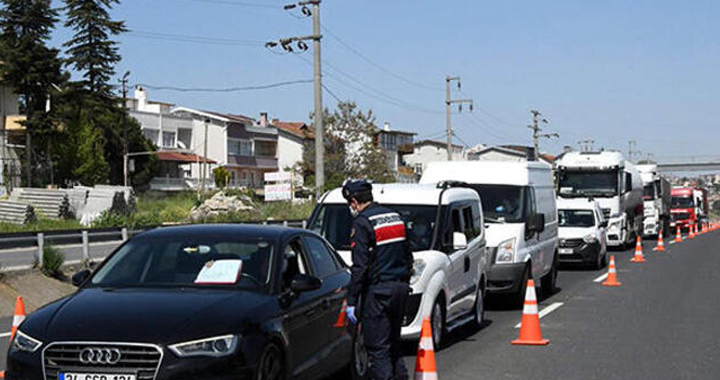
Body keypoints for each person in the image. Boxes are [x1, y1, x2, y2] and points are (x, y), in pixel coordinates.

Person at [342, 180, 413, 380]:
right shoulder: (394, 217)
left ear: (354, 201)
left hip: (379, 293)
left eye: (350, 203)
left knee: (378, 350)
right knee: (394, 346)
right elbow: (408, 255)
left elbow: (360, 266)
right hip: (399, 288)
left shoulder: (362, 223)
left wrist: (352, 300)